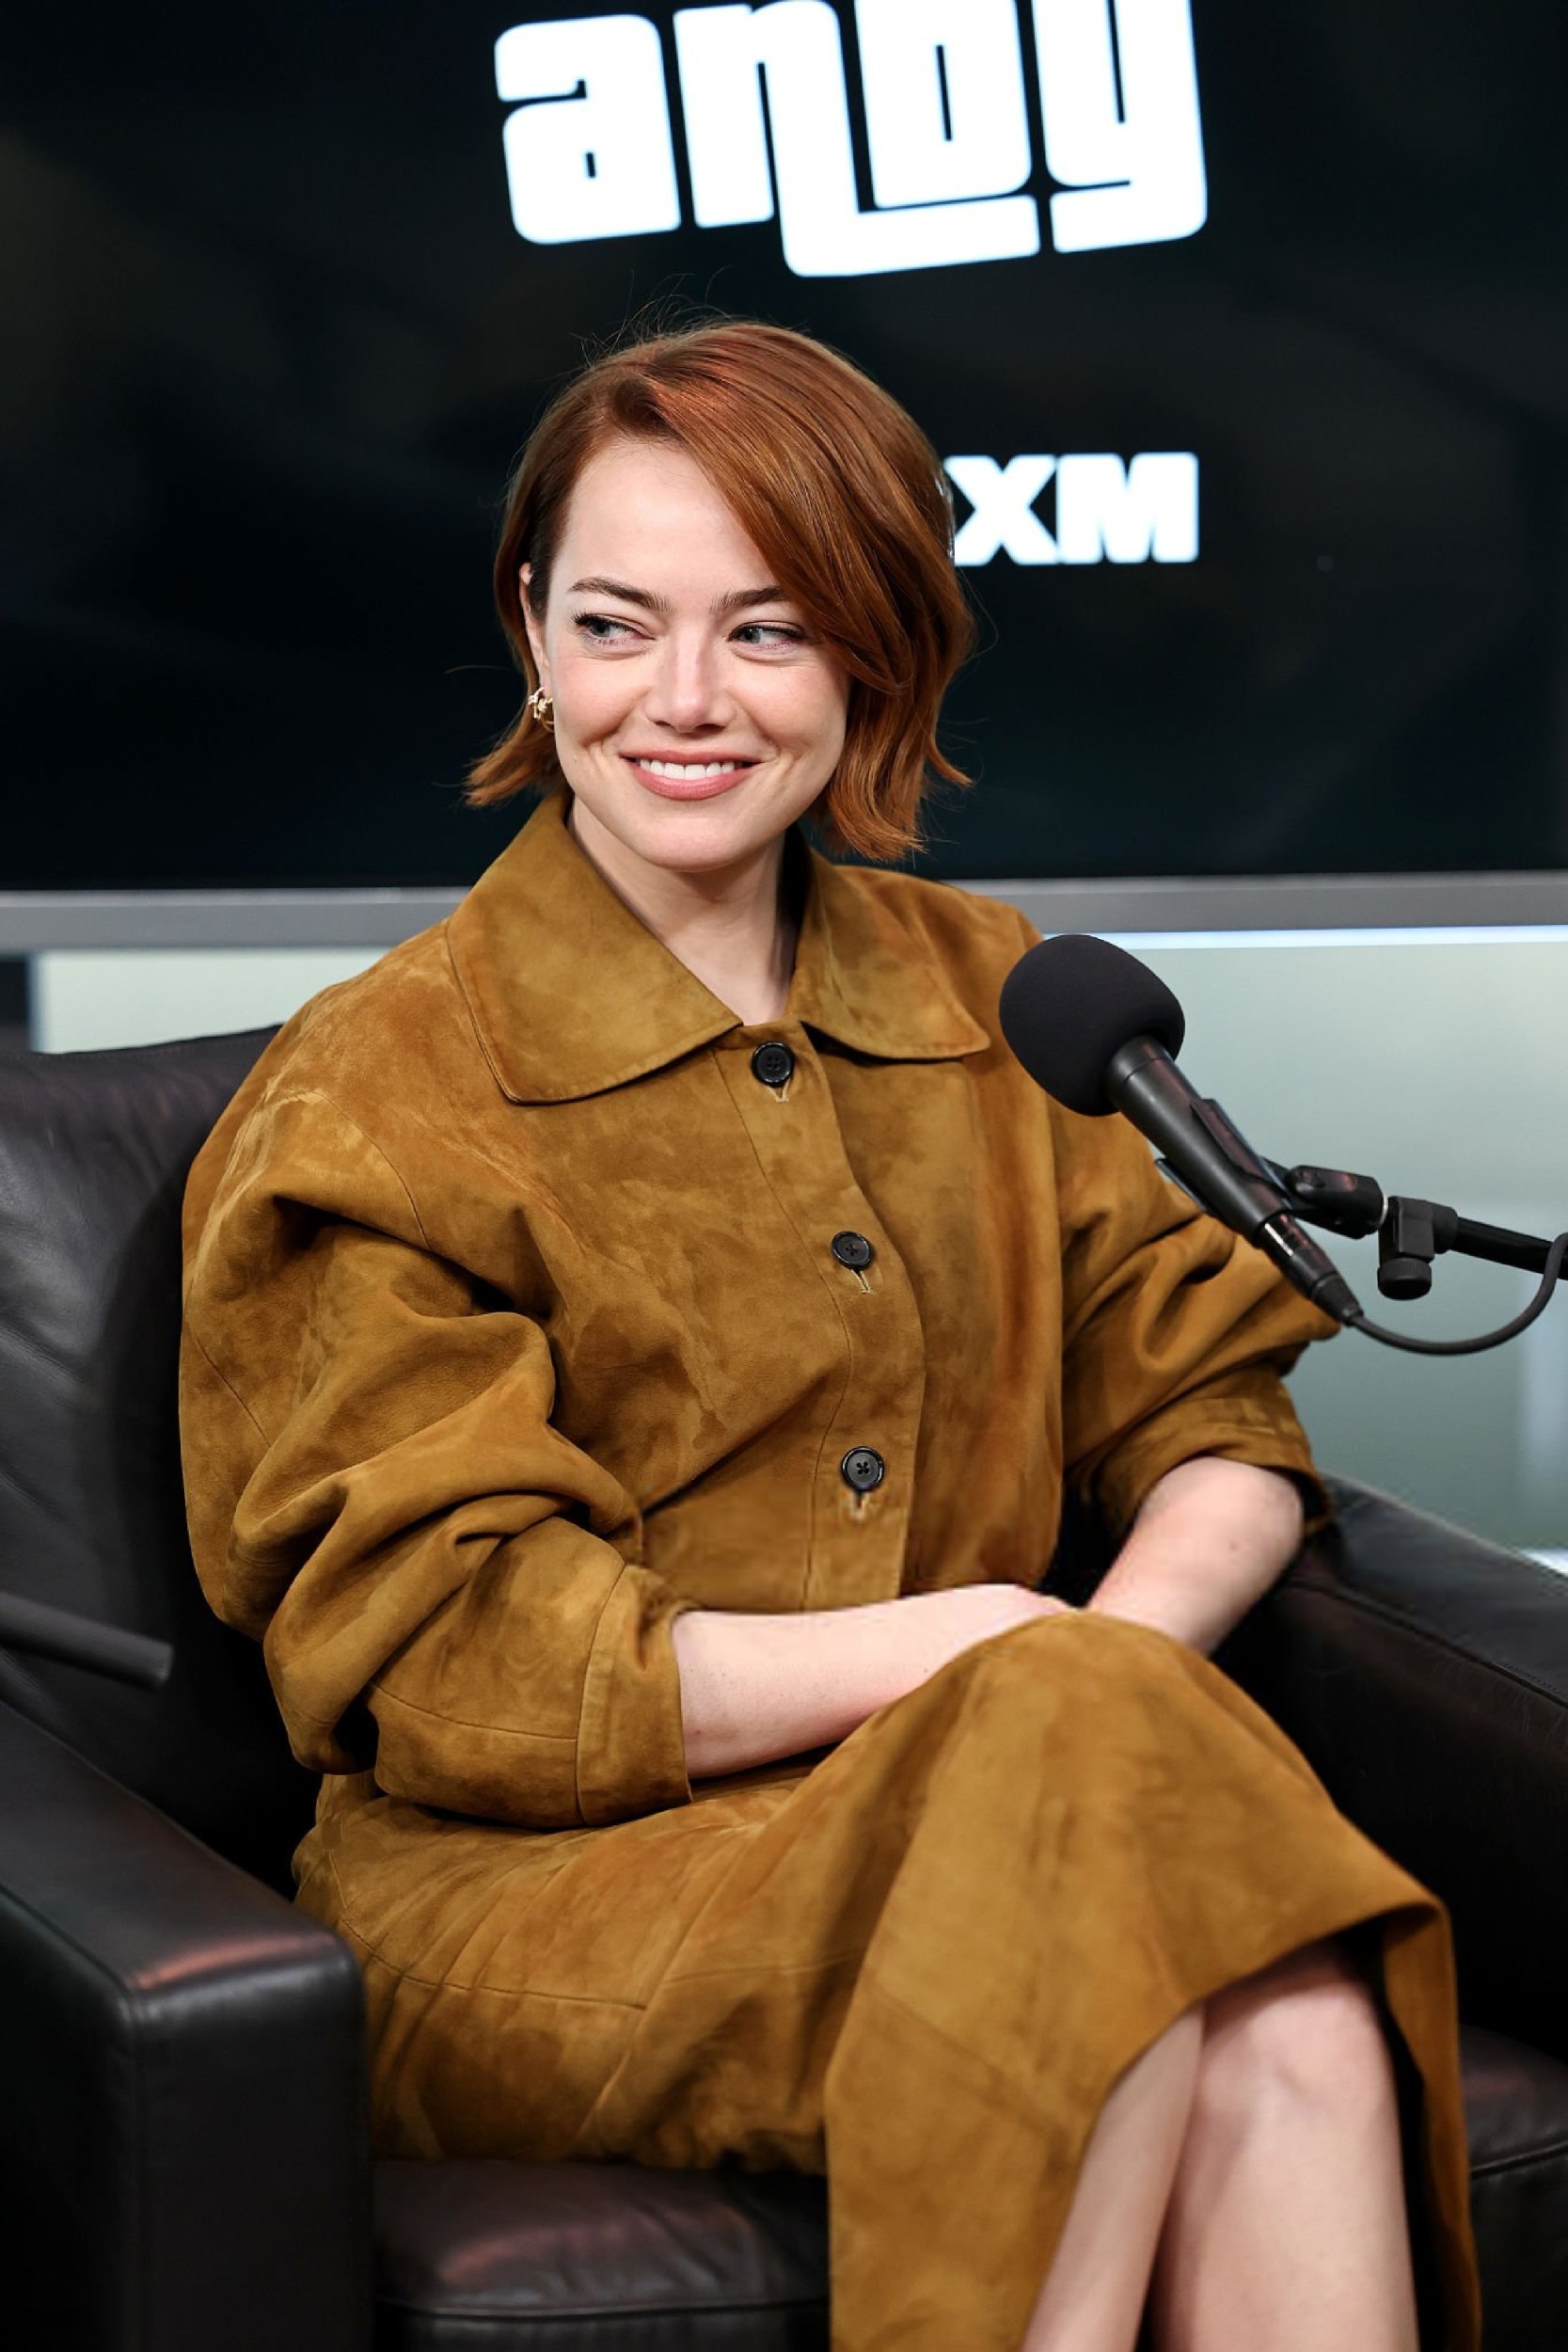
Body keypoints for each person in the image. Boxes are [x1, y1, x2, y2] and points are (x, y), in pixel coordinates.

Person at [179, 320, 1478, 2351]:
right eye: (617, 624)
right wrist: (1001, 1663)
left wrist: (1089, 1690)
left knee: (1287, 2017)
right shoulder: (377, 1088)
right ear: (531, 632)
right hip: (533, 1893)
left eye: (767, 630)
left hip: (1008, 1798)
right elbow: (464, 1663)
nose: (684, 700)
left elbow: (1213, 1419)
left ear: (873, 650)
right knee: (1154, 1906)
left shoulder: (1000, 995)